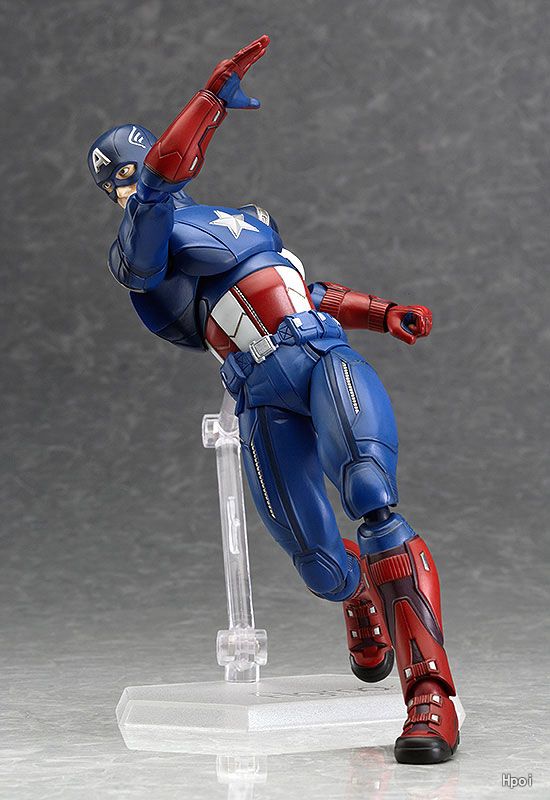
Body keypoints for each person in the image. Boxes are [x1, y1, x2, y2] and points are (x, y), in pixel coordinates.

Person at [88, 36, 459, 764]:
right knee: (320, 563)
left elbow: (304, 290)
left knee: (372, 496)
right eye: (115, 184)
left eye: (131, 169)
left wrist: (382, 312)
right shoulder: (142, 253)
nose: (127, 188)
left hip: (319, 357)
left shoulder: (245, 221)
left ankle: (429, 693)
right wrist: (209, 102)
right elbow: (158, 194)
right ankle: (360, 594)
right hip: (259, 398)